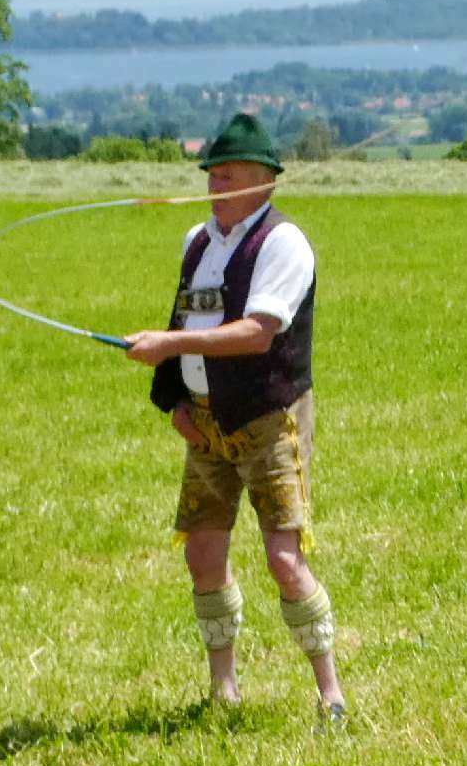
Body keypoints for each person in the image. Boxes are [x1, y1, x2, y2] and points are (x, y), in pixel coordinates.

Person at [122, 112, 344, 723]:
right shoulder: (197, 241)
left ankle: (331, 696)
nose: (214, 185)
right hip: (205, 422)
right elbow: (184, 321)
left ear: (262, 180)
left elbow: (257, 333)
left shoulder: (283, 243)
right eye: (211, 175)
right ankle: (224, 690)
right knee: (201, 553)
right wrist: (175, 400)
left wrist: (167, 347)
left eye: (227, 175)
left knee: (284, 561)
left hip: (269, 421)